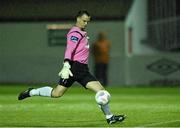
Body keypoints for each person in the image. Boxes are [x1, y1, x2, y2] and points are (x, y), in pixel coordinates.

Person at [18, 10, 126, 124]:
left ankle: (110, 118)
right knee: (58, 93)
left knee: (97, 91)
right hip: (74, 68)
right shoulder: (75, 33)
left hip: (82, 69)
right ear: (78, 19)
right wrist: (66, 64)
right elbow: (70, 49)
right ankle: (32, 92)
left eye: (87, 21)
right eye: (84, 21)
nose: (86, 23)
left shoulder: (81, 32)